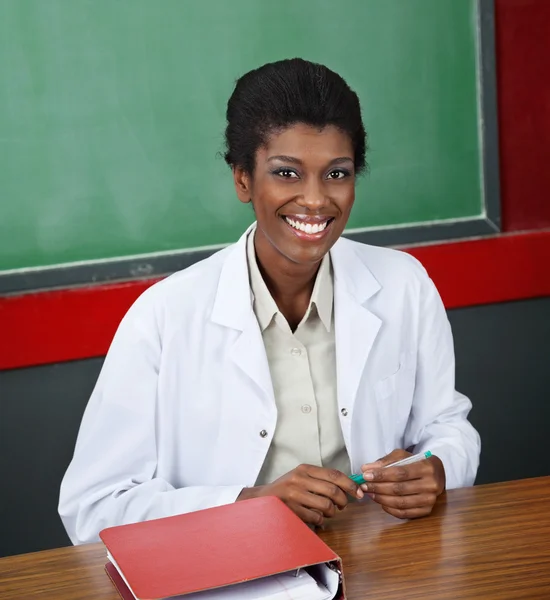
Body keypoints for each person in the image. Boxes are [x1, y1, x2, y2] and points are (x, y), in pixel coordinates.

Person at [59, 58, 480, 544]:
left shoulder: (404, 284)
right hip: (233, 572)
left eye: (337, 174)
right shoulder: (163, 317)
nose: (316, 200)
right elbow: (93, 509)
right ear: (243, 180)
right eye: (287, 173)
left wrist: (439, 467)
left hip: (384, 561)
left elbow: (447, 425)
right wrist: (249, 505)